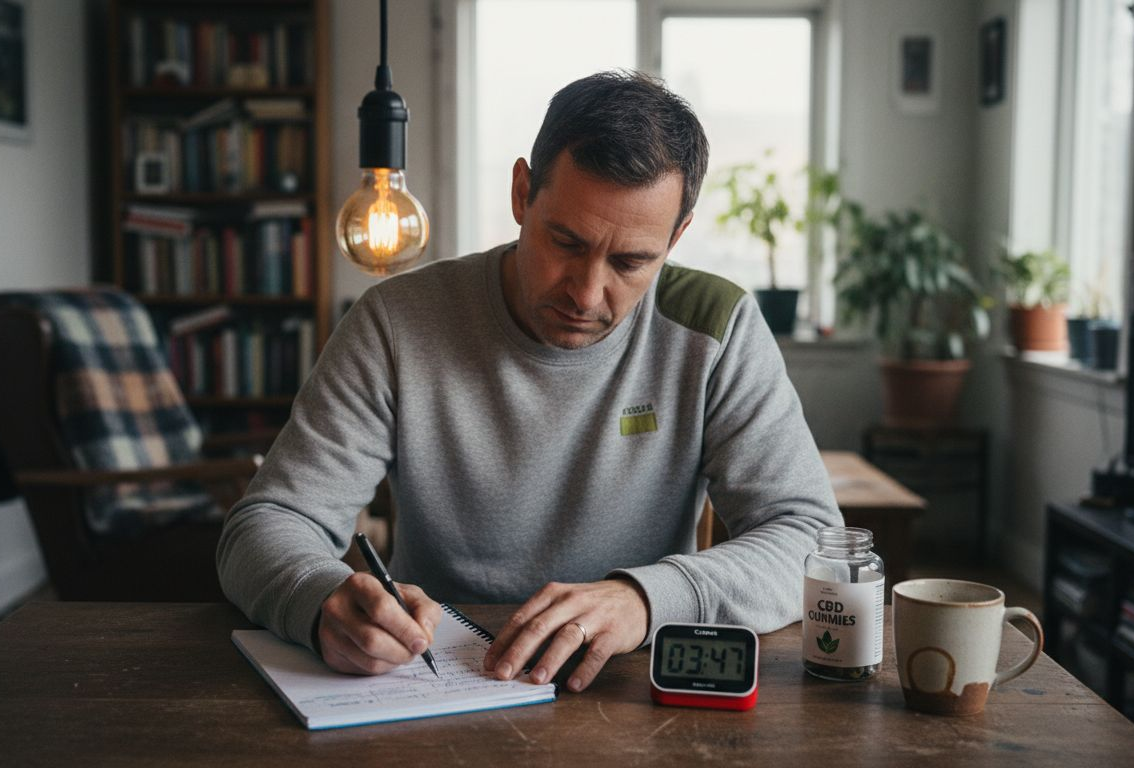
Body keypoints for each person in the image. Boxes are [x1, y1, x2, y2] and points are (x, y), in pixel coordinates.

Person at [217, 70, 840, 693]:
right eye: (565, 241)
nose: (587, 292)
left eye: (631, 262)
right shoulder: (396, 323)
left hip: (632, 684)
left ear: (676, 237)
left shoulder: (716, 328)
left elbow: (813, 540)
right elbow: (266, 523)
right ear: (522, 194)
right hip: (432, 680)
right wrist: (317, 596)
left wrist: (646, 600)